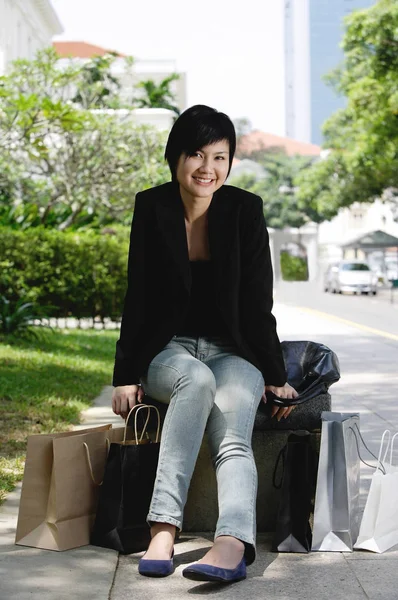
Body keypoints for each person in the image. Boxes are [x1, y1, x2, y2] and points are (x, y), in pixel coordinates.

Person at [111, 104, 298, 583]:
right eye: (196, 154)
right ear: (176, 157)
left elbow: (258, 303)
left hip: (233, 349)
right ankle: (163, 527)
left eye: (220, 156)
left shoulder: (245, 210)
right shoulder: (151, 206)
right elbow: (139, 294)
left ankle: (231, 544)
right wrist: (124, 375)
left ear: (230, 162)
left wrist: (276, 378)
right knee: (193, 381)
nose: (208, 168)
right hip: (168, 349)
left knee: (234, 430)